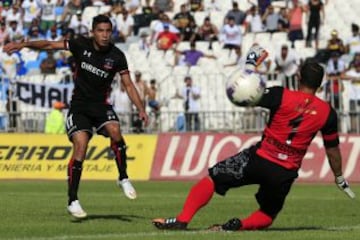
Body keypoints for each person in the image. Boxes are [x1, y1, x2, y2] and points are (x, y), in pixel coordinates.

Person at [152, 46, 355, 231]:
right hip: (284, 172)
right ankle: (239, 226)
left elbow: (246, 94)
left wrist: (250, 65)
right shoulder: (328, 113)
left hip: (259, 159)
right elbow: (332, 150)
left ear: (298, 76)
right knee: (268, 214)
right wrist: (338, 177)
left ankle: (182, 220)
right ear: (320, 85)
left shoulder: (280, 95)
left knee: (212, 178)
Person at [3, 14, 149, 219]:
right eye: (100, 31)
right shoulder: (80, 44)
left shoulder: (116, 56)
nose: (105, 35)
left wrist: (141, 108)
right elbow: (49, 45)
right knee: (81, 146)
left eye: (108, 31)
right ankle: (73, 200)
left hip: (101, 106)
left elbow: (128, 84)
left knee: (115, 131)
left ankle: (123, 177)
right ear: (93, 32)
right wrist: (23, 44)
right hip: (79, 107)